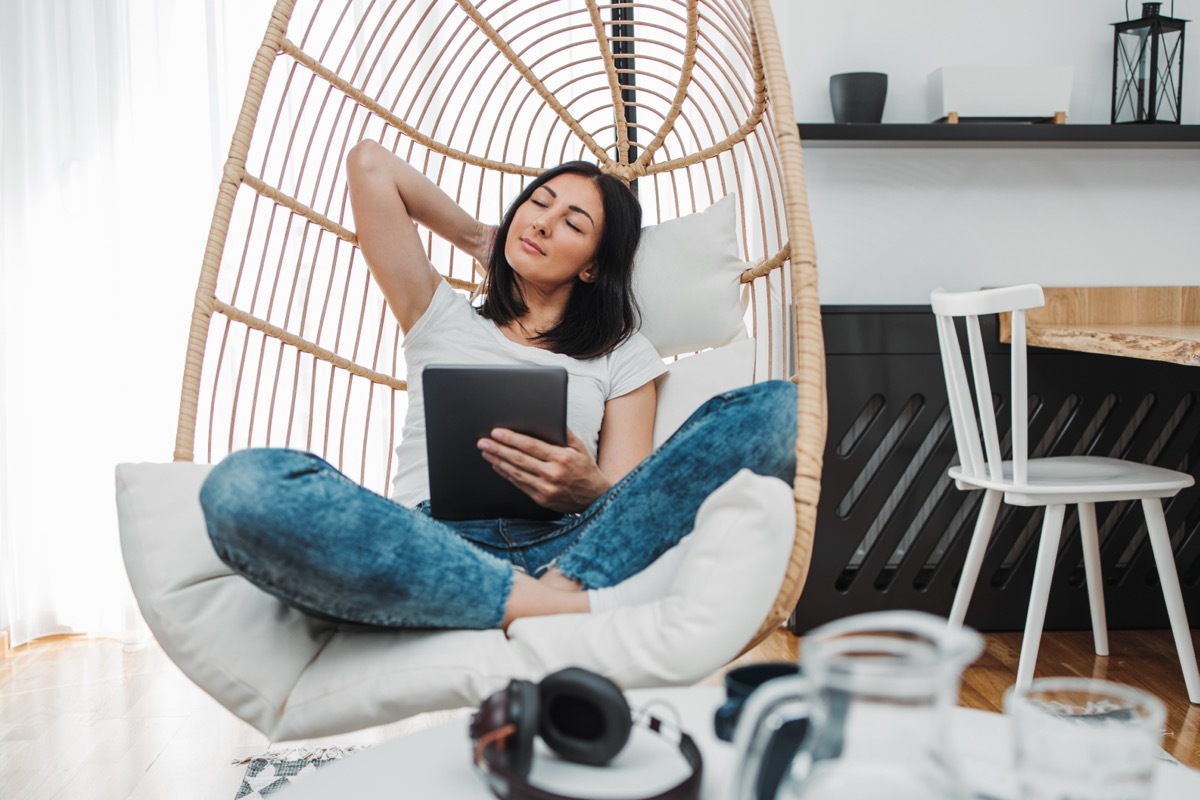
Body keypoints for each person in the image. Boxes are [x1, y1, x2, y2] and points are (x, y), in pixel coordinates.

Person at [199, 140, 797, 631]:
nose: (541, 220)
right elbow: (369, 164)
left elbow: (630, 499)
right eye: (538, 202)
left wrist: (588, 487)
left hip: (566, 547)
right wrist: (479, 238)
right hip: (427, 540)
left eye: (572, 222)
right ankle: (541, 607)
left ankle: (515, 596)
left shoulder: (623, 355)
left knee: (784, 409)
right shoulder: (439, 315)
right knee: (240, 488)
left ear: (593, 264)